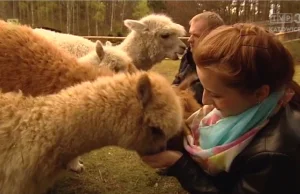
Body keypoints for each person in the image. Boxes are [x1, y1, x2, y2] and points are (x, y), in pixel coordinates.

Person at [142, 23, 300, 194]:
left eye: (216, 95)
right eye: (204, 88)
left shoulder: (274, 156)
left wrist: (180, 165)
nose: (205, 101)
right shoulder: (249, 108)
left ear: (260, 93)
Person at [172, 12, 224, 105]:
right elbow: (177, 82)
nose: (189, 39)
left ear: (213, 36)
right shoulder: (188, 56)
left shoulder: (222, 64)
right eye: (190, 34)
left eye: (196, 35)